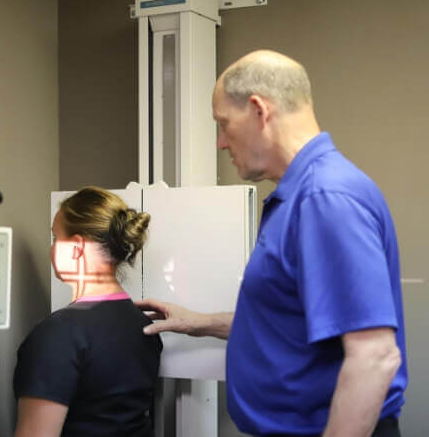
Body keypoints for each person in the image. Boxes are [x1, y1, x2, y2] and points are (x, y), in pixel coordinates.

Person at [136, 50, 407, 437]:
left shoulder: (324, 198)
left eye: (223, 124)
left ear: (259, 111)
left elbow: (374, 356)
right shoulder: (298, 197)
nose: (221, 143)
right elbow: (300, 321)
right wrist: (201, 323)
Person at [13, 186, 163, 437]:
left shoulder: (58, 334)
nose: (51, 250)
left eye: (55, 238)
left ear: (77, 248)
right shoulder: (144, 325)